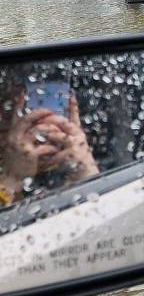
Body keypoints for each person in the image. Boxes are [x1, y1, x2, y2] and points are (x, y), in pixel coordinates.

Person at [0, 76, 98, 207]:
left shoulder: (73, 155)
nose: (39, 126)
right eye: (8, 109)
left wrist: (85, 170)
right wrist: (11, 179)